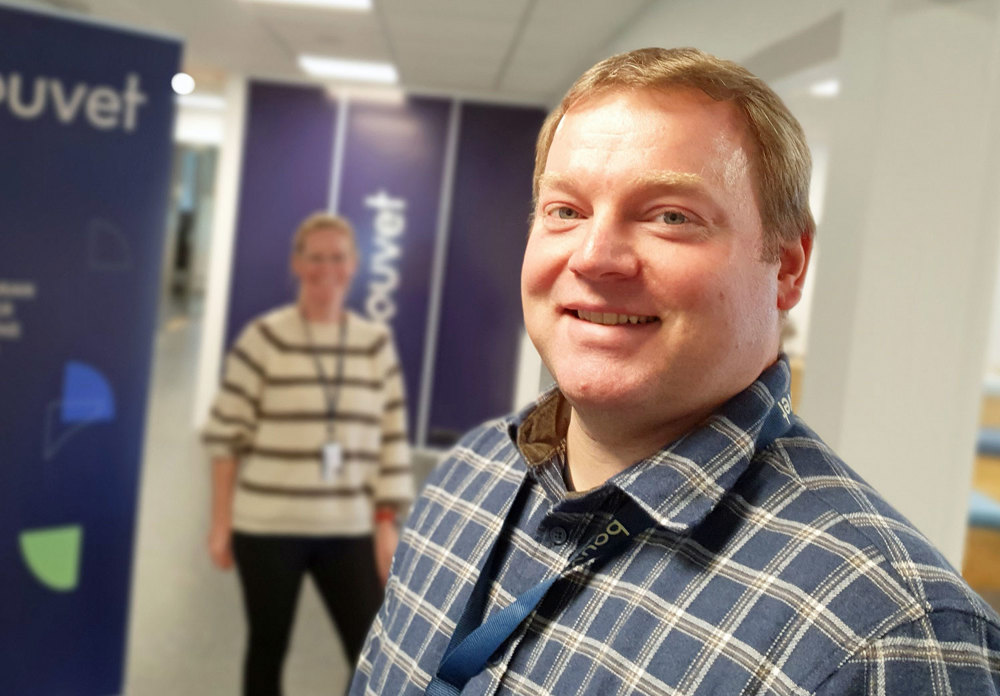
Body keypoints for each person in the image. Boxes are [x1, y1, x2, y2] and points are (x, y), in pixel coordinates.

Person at [348, 47, 1000, 695]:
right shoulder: (466, 474)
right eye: (566, 211)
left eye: (670, 217)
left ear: (790, 264)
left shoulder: (887, 641)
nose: (595, 257)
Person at [202, 212, 414, 696]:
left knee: (369, 652)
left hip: (348, 526)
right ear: (297, 264)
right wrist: (220, 523)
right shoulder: (265, 338)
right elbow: (224, 438)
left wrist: (386, 524)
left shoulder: (374, 345)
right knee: (268, 644)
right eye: (314, 257)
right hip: (267, 525)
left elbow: (391, 438)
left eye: (337, 257)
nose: (326, 268)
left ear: (354, 265)